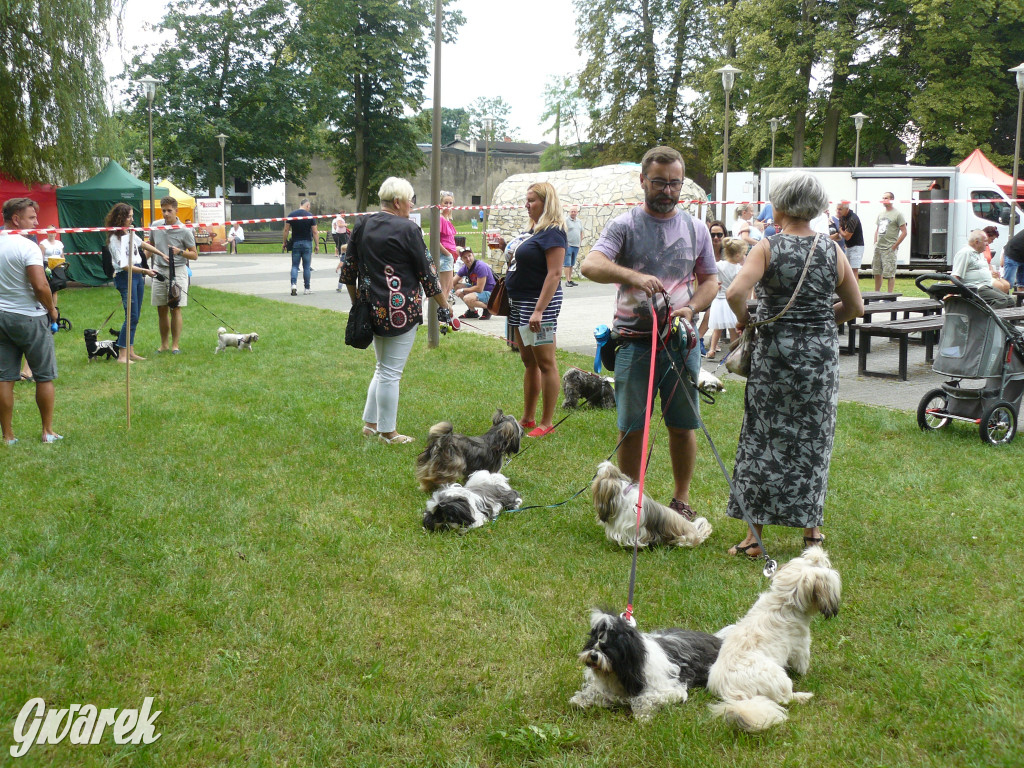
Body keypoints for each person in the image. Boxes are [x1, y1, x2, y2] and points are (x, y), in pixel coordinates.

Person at [724, 172, 863, 557]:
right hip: (820, 360)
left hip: (774, 357)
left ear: (781, 206)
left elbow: (735, 292)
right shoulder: (831, 249)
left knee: (762, 438)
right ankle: (812, 533)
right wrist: (820, 324)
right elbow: (855, 306)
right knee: (814, 440)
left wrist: (747, 321)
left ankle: (754, 538)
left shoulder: (767, 247)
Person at [581, 145, 719, 519]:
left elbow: (710, 281)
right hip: (634, 343)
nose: (668, 191)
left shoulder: (696, 228)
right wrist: (634, 276)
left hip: (680, 343)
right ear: (642, 180)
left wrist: (692, 308)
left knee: (682, 425)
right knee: (632, 428)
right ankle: (629, 503)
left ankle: (681, 499)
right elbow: (590, 265)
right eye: (659, 182)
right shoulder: (624, 225)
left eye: (675, 183)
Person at [341, 177, 457, 445]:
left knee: (382, 368)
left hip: (370, 309)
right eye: (410, 201)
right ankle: (388, 432)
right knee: (390, 372)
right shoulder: (408, 229)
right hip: (400, 312)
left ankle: (370, 425)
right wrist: (445, 305)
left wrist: (357, 302)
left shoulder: (362, 224)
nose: (412, 205)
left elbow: (349, 270)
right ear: (397, 202)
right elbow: (428, 273)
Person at [504, 182, 567, 438]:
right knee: (528, 361)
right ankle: (528, 418)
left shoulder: (554, 232)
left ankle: (546, 422)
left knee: (545, 362)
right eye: (526, 200)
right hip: (520, 302)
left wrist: (539, 310)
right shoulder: (534, 230)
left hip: (538, 304)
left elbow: (555, 273)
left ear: (546, 202)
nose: (526, 205)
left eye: (532, 200)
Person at [0, 198, 62, 444]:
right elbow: (40, 285)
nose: (37, 222)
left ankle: (8, 436)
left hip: (2, 317)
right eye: (32, 217)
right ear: (16, 219)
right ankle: (47, 432)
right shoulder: (29, 247)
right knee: (44, 376)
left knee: (4, 377)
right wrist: (52, 310)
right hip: (30, 317)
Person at [105, 203, 160, 363]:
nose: (131, 219)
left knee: (135, 316)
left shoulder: (129, 233)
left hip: (137, 275)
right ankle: (122, 355)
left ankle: (130, 351)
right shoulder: (114, 239)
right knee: (131, 316)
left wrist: (161, 253)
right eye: (129, 216)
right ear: (120, 218)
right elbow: (123, 265)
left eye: (131, 216)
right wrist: (145, 271)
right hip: (125, 276)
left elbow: (142, 244)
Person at [150, 196, 198, 354]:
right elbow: (150, 246)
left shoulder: (185, 230)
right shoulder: (155, 226)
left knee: (175, 308)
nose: (166, 214)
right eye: (163, 210)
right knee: (161, 308)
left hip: (177, 271)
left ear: (176, 211)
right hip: (159, 270)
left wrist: (180, 252)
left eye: (169, 210)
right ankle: (163, 344)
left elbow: (194, 255)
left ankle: (175, 345)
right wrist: (141, 263)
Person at [951, 230, 1015, 308]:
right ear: (976, 242)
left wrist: (991, 273)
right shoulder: (965, 253)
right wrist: (951, 293)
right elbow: (955, 276)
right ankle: (985, 316)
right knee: (1001, 301)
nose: (987, 244)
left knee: (1010, 301)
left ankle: (1001, 316)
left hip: (987, 285)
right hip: (974, 288)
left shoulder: (980, 253)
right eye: (985, 241)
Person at [707, 237, 747, 358]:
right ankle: (733, 351)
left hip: (719, 300)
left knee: (717, 329)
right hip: (731, 301)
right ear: (738, 255)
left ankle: (712, 350)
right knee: (732, 329)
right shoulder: (739, 269)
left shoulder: (719, 265)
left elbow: (710, 270)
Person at [697, 220, 727, 355]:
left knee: (715, 308)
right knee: (714, 307)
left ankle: (699, 338)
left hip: (723, 292)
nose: (716, 238)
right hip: (704, 290)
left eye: (719, 235)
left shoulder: (729, 253)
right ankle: (700, 339)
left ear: (724, 236)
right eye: (712, 235)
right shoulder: (703, 250)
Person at [871, 191, 907, 293]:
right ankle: (876, 293)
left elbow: (904, 232)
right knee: (877, 272)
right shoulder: (881, 214)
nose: (884, 200)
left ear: (892, 200)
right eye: (883, 198)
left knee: (890, 273)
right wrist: (875, 242)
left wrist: (894, 246)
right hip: (879, 247)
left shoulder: (898, 214)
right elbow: (877, 229)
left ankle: (890, 295)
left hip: (889, 248)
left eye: (886, 198)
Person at [283, 198, 318, 295]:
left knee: (295, 266)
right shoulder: (310, 216)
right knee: (306, 267)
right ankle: (307, 288)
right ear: (307, 205)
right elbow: (315, 232)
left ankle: (293, 285)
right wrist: (317, 245)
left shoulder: (291, 215)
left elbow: (286, 230)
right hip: (307, 243)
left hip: (296, 243)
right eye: (309, 206)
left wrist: (284, 242)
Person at [454, 246, 496, 319]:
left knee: (467, 298)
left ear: (473, 255)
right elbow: (452, 282)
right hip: (479, 291)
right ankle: (472, 312)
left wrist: (462, 290)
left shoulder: (480, 266)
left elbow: (479, 289)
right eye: (465, 257)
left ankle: (489, 308)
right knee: (457, 286)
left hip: (489, 293)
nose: (468, 259)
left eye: (469, 256)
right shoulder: (465, 268)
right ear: (462, 259)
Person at [436, 191, 458, 303]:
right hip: (444, 256)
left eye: (450, 203)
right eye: (445, 203)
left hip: (449, 256)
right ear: (440, 203)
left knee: (449, 287)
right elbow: (435, 240)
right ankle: (441, 311)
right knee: (444, 289)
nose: (448, 206)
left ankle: (444, 310)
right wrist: (447, 254)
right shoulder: (440, 218)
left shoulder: (447, 218)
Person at [836, 200, 865, 281]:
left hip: (856, 247)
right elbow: (843, 233)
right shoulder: (842, 217)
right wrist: (842, 232)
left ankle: (855, 289)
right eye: (837, 209)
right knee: (848, 270)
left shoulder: (853, 218)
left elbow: (847, 236)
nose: (838, 211)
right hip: (848, 246)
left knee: (854, 270)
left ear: (847, 209)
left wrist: (840, 230)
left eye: (840, 209)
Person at [982, 226, 1011, 293]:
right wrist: (990, 273)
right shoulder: (980, 248)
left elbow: (988, 263)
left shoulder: (987, 246)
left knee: (1007, 285)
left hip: (989, 271)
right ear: (986, 236)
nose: (992, 242)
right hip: (984, 274)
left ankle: (1003, 298)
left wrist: (994, 271)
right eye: (992, 239)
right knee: (999, 286)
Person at [564, 205, 583, 286]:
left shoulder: (579, 221)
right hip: (569, 245)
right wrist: (566, 243)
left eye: (575, 211)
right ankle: (567, 281)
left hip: (576, 246)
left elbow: (581, 232)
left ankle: (570, 279)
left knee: (572, 264)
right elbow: (563, 232)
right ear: (569, 212)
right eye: (572, 211)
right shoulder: (566, 220)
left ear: (577, 212)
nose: (573, 213)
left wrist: (580, 242)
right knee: (567, 263)